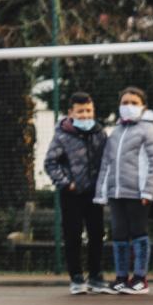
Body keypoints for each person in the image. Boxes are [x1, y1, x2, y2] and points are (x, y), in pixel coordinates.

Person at [92, 87, 153, 296]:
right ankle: (121, 278)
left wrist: (149, 191)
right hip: (117, 193)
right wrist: (102, 192)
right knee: (119, 234)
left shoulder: (149, 130)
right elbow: (106, 162)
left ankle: (140, 278)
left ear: (143, 106)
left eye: (134, 102)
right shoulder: (116, 131)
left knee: (139, 233)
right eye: (125, 102)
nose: (129, 106)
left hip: (138, 193)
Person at [43, 92, 110, 294]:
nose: (85, 115)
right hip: (71, 194)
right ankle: (76, 277)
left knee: (97, 233)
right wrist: (66, 183)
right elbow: (50, 162)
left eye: (88, 110)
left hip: (94, 193)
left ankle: (96, 276)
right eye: (80, 111)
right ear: (71, 112)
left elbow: (107, 160)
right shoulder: (62, 136)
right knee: (72, 235)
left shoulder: (100, 133)